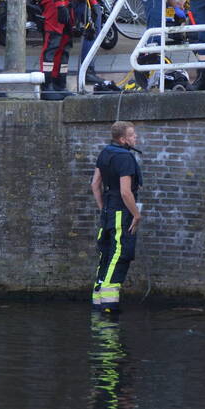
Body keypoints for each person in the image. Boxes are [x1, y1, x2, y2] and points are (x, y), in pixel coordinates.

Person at [90, 121, 144, 313]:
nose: (135, 137)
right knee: (119, 254)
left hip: (108, 210)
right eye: (132, 135)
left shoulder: (105, 152)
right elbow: (125, 192)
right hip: (122, 211)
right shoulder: (126, 158)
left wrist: (104, 208)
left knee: (106, 253)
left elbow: (95, 184)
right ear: (123, 139)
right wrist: (136, 215)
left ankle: (98, 302)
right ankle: (109, 305)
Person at [36, 0, 90, 100]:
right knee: (53, 42)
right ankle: (46, 85)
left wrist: (92, 6)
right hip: (55, 2)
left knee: (65, 43)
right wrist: (60, 5)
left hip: (69, 3)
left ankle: (60, 82)